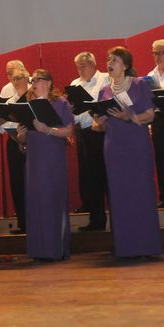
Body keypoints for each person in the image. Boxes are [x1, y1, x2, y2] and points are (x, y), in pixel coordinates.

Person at [92, 47, 162, 258]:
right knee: (119, 194)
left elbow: (150, 115)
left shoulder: (140, 85)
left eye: (114, 59)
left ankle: (146, 246)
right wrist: (99, 120)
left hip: (136, 144)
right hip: (114, 146)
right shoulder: (104, 91)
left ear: (126, 64)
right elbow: (98, 125)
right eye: (108, 59)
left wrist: (130, 117)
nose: (109, 63)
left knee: (140, 191)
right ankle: (125, 247)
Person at [16, 69, 74, 261]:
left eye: (37, 80)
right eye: (32, 81)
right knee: (36, 201)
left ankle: (55, 249)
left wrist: (48, 130)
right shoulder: (28, 105)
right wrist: (21, 135)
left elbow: (68, 131)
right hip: (34, 159)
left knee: (51, 199)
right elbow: (24, 138)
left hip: (52, 158)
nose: (33, 84)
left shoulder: (60, 102)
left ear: (49, 82)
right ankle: (39, 250)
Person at [70, 51, 111, 230]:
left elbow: (105, 104)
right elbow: (74, 112)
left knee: (105, 175)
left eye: (83, 66)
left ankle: (116, 219)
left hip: (101, 132)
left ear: (93, 64)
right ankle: (96, 220)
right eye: (77, 67)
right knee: (89, 176)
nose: (80, 70)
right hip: (82, 132)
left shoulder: (105, 79)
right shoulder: (75, 84)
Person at [0, 65, 30, 234]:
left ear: (27, 78)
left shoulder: (32, 96)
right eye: (13, 79)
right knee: (17, 183)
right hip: (13, 142)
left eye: (18, 78)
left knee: (31, 183)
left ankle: (35, 222)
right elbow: (0, 128)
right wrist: (1, 123)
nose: (15, 82)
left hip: (32, 143)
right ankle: (22, 223)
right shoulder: (10, 100)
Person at [147, 39, 164, 209]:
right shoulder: (151, 75)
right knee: (161, 159)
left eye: (160, 53)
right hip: (158, 118)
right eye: (154, 53)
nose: (157, 57)